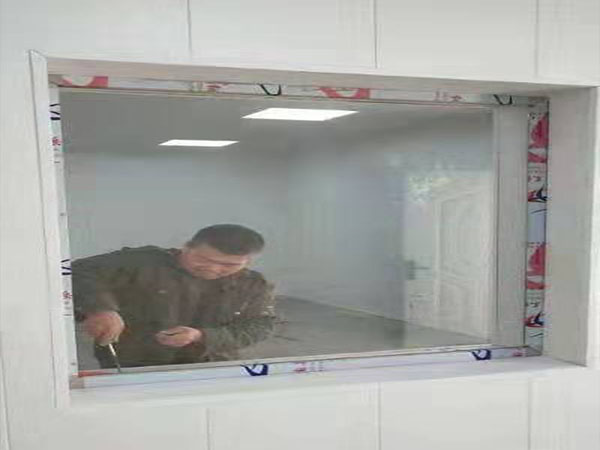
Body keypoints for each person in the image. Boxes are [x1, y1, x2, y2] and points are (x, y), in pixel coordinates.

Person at [72, 224, 276, 368]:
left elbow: (260, 326)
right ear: (187, 247)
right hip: (132, 362)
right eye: (203, 259)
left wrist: (201, 336)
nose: (213, 268)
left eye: (229, 265)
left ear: (248, 262)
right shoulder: (142, 262)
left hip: (210, 365)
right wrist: (100, 309)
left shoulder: (253, 284)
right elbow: (77, 270)